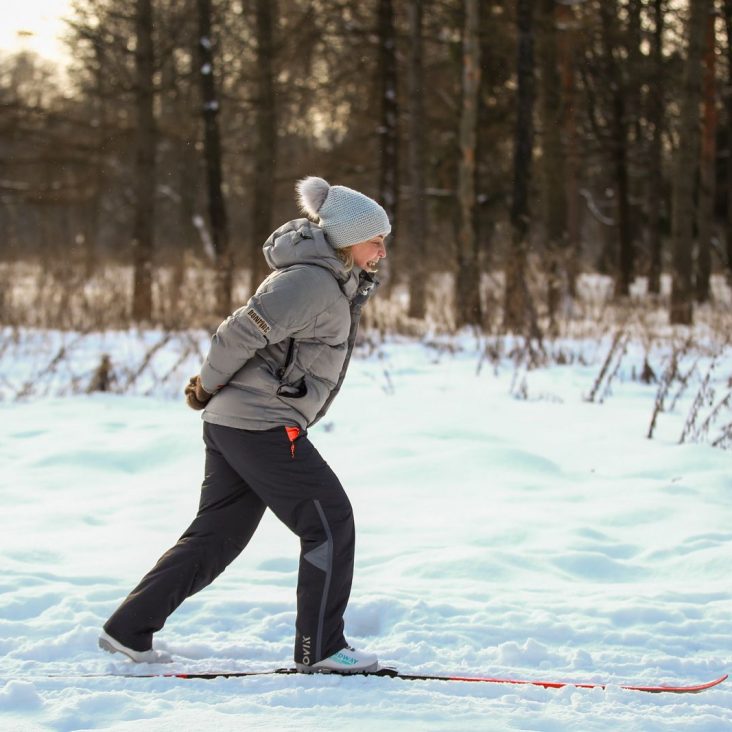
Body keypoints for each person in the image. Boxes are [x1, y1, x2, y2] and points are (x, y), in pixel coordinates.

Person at [99, 176, 390, 674]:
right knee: (329, 523)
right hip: (261, 424)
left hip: (246, 421)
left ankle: (128, 629)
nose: (382, 250)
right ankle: (320, 648)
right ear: (345, 236)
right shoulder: (308, 282)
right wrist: (205, 386)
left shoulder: (330, 278)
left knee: (218, 534)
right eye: (375, 240)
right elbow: (237, 333)